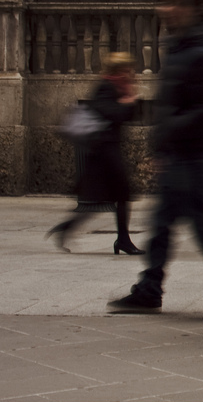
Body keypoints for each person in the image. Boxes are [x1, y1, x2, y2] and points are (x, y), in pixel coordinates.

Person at [108, 0, 203, 314]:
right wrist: (163, 144)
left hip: (197, 154)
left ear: (189, 6)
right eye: (163, 1)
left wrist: (170, 134)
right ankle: (150, 288)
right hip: (181, 153)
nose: (164, 9)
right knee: (164, 223)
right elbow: (171, 102)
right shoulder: (179, 45)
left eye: (172, 2)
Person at [46, 52, 143, 255]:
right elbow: (109, 113)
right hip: (102, 153)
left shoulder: (120, 88)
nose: (130, 73)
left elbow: (127, 116)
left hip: (110, 150)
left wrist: (129, 100)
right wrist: (126, 102)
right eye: (127, 69)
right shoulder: (105, 87)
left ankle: (122, 239)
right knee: (107, 198)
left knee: (115, 197)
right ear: (118, 70)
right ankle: (119, 240)